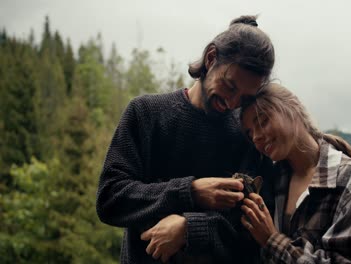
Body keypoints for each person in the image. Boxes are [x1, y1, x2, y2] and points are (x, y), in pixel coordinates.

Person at [96, 15, 275, 263]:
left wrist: (190, 229)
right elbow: (111, 199)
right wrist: (190, 192)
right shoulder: (146, 113)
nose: (232, 103)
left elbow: (253, 230)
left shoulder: (249, 138)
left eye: (245, 98)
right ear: (211, 58)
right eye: (230, 86)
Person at [240, 83, 351, 263]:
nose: (256, 137)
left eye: (262, 121)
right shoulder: (272, 181)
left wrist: (271, 240)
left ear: (292, 110)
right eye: (250, 133)